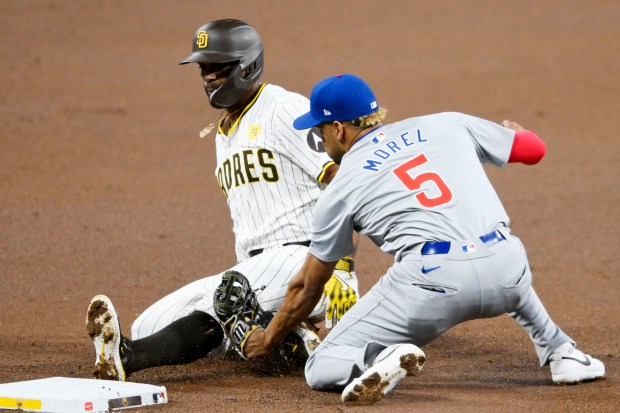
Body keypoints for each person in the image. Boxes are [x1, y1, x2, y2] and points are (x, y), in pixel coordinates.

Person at [241, 74, 606, 405]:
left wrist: (269, 338)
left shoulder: (341, 188)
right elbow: (534, 150)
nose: (319, 139)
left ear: (338, 129)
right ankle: (563, 353)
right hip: (508, 268)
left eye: (319, 130)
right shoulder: (447, 123)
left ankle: (378, 358)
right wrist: (513, 131)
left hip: (434, 285)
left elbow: (307, 287)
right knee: (493, 248)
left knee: (320, 367)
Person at [85, 20, 359, 381]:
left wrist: (342, 266)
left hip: (307, 261)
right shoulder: (223, 133)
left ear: (247, 65)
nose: (209, 77)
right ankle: (289, 340)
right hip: (256, 272)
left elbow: (346, 183)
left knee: (227, 301)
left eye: (218, 67)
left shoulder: (283, 109)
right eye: (203, 69)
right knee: (149, 322)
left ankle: (128, 358)